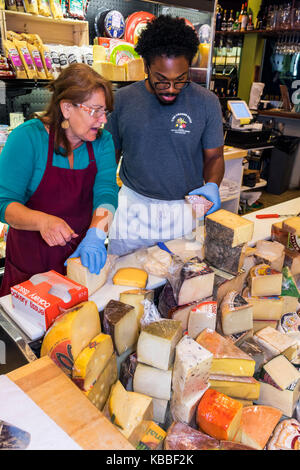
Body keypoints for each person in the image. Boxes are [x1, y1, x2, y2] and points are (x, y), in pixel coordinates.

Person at [106, 15, 225, 256]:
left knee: (179, 285)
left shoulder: (207, 103)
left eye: (180, 80)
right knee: (123, 283)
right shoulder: (122, 100)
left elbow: (214, 157)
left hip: (184, 209)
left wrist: (212, 185)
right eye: (162, 80)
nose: (171, 89)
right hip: (133, 209)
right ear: (146, 66)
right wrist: (102, 203)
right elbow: (110, 157)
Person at [0, 63, 119, 296]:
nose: (102, 119)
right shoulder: (27, 138)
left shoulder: (103, 142)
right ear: (66, 108)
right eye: (95, 110)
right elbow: (4, 203)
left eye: (105, 111)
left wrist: (96, 233)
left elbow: (106, 191)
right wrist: (42, 222)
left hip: (80, 260)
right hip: (30, 264)